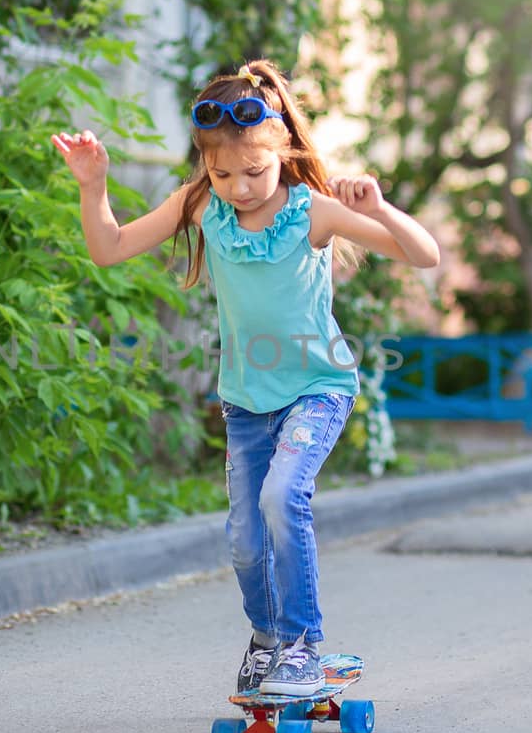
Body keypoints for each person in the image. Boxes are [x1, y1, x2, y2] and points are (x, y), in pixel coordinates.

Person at [50, 59, 440, 696]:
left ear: (282, 149)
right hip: (247, 403)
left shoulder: (312, 211)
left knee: (283, 498)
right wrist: (93, 188)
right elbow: (110, 248)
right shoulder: (204, 205)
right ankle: (267, 641)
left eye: (254, 171)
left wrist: (382, 208)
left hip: (318, 387)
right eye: (222, 172)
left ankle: (305, 644)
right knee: (242, 539)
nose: (239, 187)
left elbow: (425, 255)